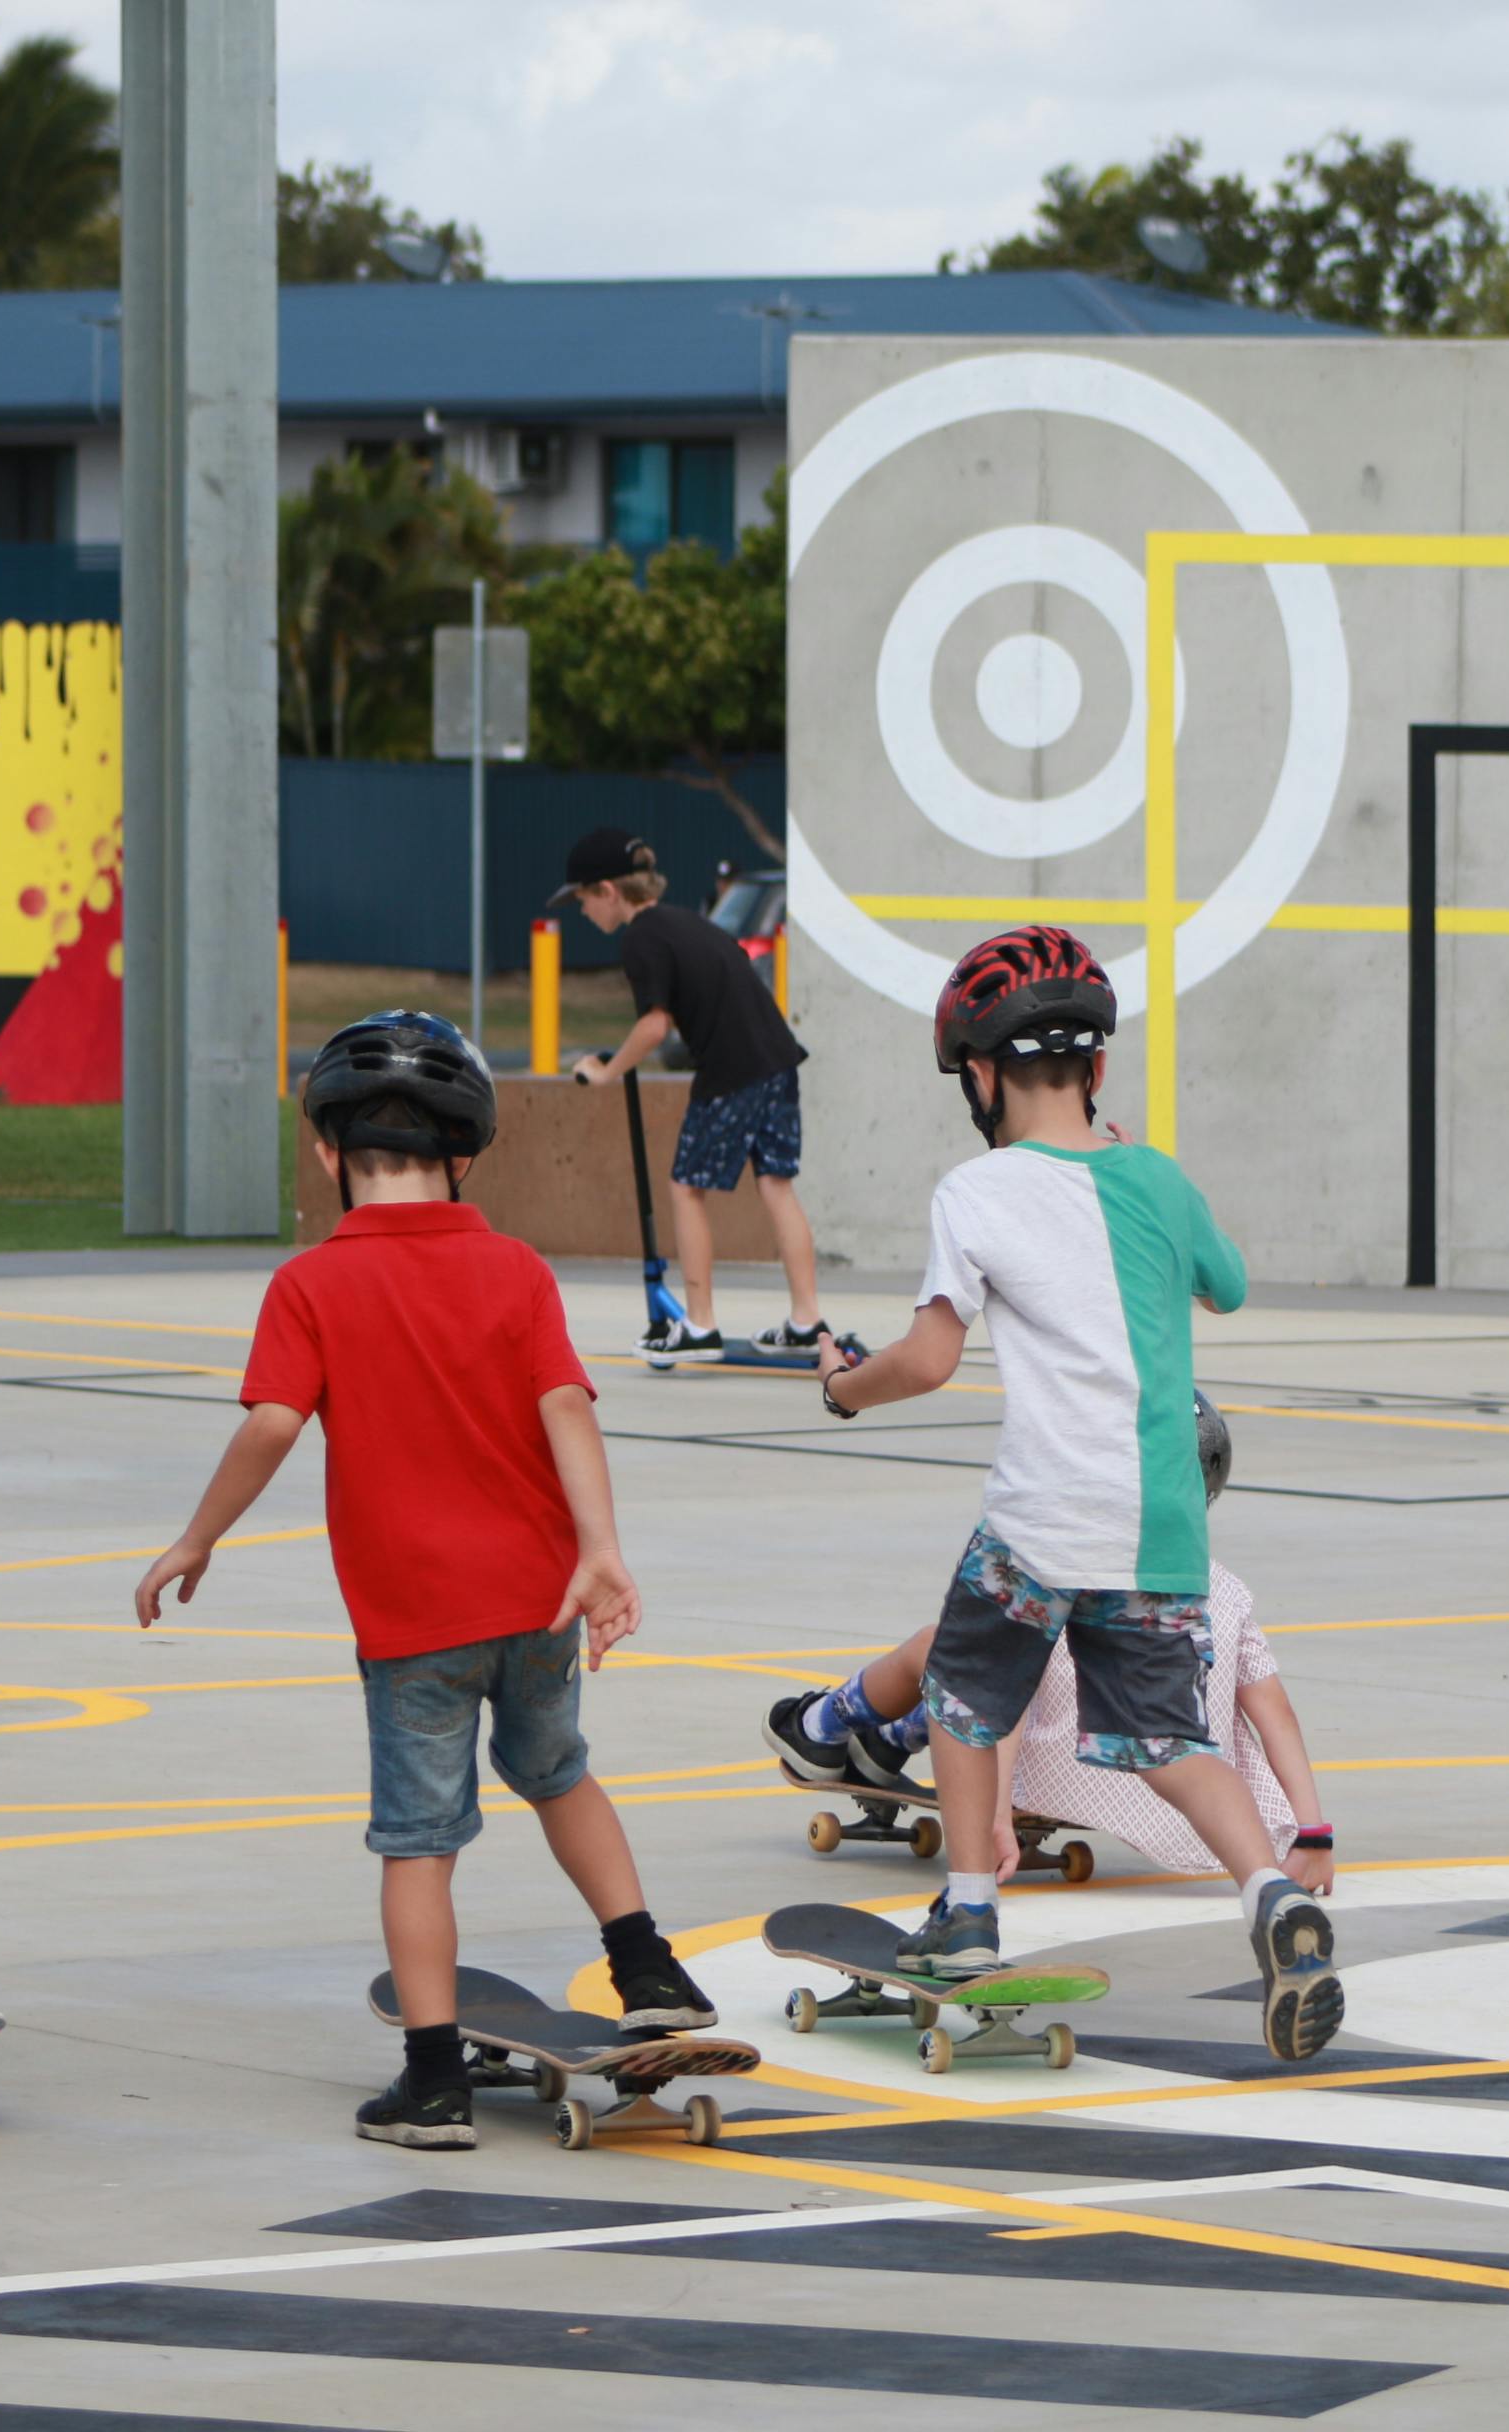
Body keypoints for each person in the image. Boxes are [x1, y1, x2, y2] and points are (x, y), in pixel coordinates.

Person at [136, 1010, 717, 2148]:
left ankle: (434, 2079)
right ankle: (649, 1968)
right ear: (466, 1153)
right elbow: (566, 1408)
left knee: (418, 1842)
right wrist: (601, 1548)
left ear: (325, 1150)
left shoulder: (310, 1283)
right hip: (539, 1595)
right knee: (559, 1774)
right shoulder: (513, 1268)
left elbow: (269, 1423)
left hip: (414, 1622)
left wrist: (198, 1535)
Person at [814, 926, 1342, 2062]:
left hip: (1042, 1518)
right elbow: (1231, 1287)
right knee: (1163, 1739)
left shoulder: (978, 1189)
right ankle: (1267, 1894)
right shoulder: (1153, 1173)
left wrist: (845, 1391)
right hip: (1161, 1521)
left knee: (963, 1691)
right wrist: (1145, 1169)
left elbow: (930, 1357)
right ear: (1096, 1069)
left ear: (982, 1073)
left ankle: (966, 1911)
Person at [767, 1397, 1338, 1890]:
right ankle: (890, 1741)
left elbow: (1001, 1690)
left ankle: (824, 1726)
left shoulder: (1060, 1569)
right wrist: (1311, 1834)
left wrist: (992, 1817)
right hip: (1192, 1810)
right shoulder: (1225, 1589)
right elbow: (1276, 1715)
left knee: (943, 1647)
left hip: (1047, 1772)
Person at [554, 827, 826, 1357]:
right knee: (776, 1186)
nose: (584, 912)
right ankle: (806, 1319)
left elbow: (655, 1027)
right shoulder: (690, 924)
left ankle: (698, 1325)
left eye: (584, 900)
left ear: (608, 891)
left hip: (733, 1072)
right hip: (777, 1060)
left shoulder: (642, 937)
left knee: (685, 1187)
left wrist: (607, 1072)